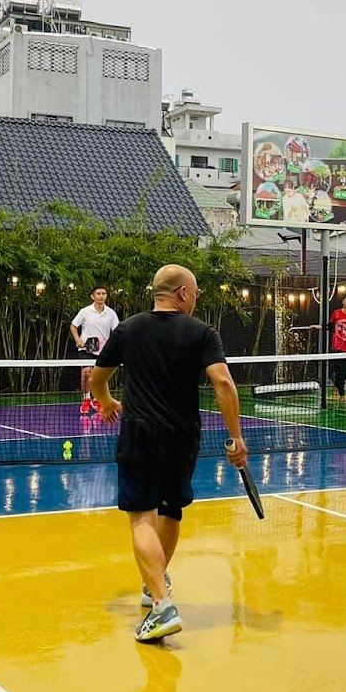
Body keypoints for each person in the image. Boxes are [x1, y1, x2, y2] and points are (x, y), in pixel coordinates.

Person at [90, 264, 248, 644]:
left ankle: (161, 603)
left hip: (140, 434)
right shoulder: (202, 332)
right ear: (182, 293)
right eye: (195, 292)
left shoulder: (129, 329)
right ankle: (154, 585)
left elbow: (97, 377)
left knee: (142, 517)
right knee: (171, 510)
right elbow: (223, 383)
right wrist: (236, 437)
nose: (196, 299)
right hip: (183, 437)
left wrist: (106, 401)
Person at [70, 287, 121, 416]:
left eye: (104, 293)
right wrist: (78, 340)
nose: (101, 296)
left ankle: (97, 399)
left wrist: (113, 345)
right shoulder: (85, 311)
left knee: (99, 376)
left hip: (103, 350)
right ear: (93, 296)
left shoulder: (111, 313)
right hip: (86, 349)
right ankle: (86, 398)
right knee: (87, 372)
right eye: (98, 293)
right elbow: (73, 326)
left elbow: (117, 330)